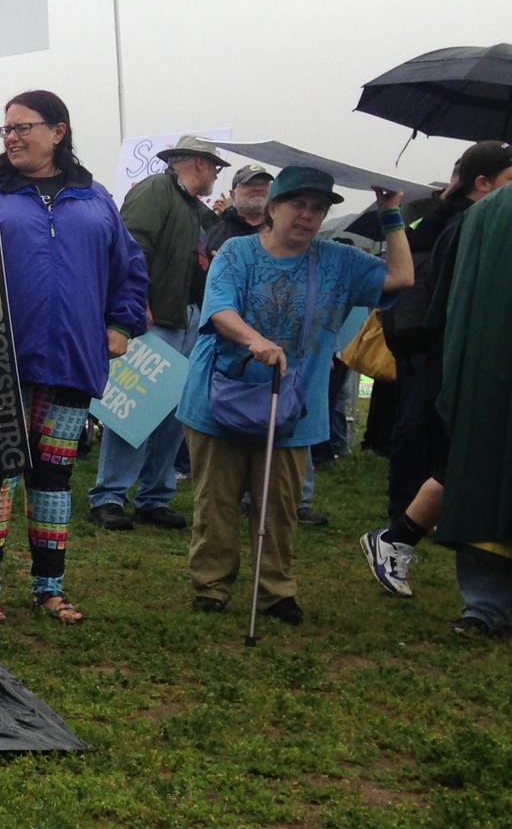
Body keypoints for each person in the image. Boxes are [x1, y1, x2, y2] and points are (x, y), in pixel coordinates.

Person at [0, 92, 148, 626]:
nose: (11, 136)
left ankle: (49, 587)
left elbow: (128, 265)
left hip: (72, 362)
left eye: (22, 127)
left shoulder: (94, 198)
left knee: (53, 478)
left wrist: (122, 324)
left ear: (58, 131)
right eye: (5, 128)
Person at [179, 166, 410, 621]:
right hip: (218, 394)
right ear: (273, 208)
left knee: (280, 505)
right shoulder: (235, 253)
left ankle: (275, 590)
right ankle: (212, 585)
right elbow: (220, 310)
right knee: (215, 499)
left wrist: (391, 215)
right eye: (297, 204)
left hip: (295, 404)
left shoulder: (339, 260)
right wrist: (256, 341)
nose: (307, 215)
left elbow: (401, 279)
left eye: (318, 208)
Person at [360, 142, 512, 600]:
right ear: (482, 183)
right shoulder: (470, 224)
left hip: (446, 353)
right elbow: (442, 292)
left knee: (457, 454)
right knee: (457, 455)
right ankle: (398, 536)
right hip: (452, 355)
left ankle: (400, 535)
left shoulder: (457, 218)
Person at [88, 136, 222, 531]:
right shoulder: (155, 191)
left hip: (185, 319)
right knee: (133, 410)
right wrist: (137, 302)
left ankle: (154, 497)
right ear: (198, 163)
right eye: (215, 167)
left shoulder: (191, 206)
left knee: (173, 414)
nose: (216, 175)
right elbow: (131, 248)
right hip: (155, 319)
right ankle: (109, 495)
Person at [427, 166, 512, 635]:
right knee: (487, 477)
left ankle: (485, 604)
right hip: (492, 378)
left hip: (485, 377)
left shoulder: (484, 214)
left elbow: (447, 307)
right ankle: (485, 603)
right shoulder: (488, 215)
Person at [207, 163, 273, 257]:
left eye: (264, 184)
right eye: (250, 184)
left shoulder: (282, 230)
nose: (258, 188)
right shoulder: (216, 230)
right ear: (232, 194)